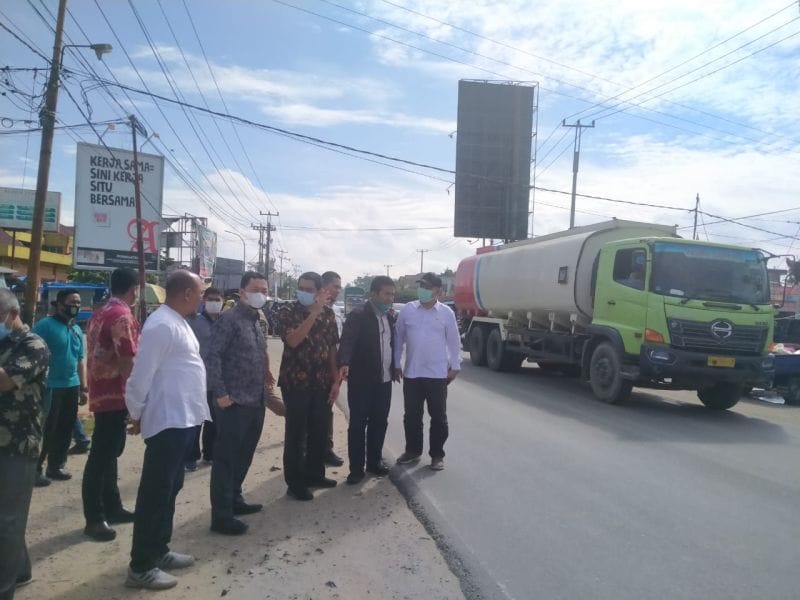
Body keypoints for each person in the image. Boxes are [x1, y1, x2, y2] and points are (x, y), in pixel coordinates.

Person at [124, 270, 209, 590]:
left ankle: (159, 549)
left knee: (170, 489)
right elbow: (140, 376)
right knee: (155, 493)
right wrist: (135, 413)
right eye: (200, 293)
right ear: (186, 293)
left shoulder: (177, 321)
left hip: (184, 419)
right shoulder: (161, 325)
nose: (202, 298)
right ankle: (140, 566)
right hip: (167, 420)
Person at [206, 272, 272, 536]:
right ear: (242, 292)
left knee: (244, 455)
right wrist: (221, 394)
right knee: (225, 459)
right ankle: (221, 516)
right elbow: (213, 357)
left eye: (264, 290)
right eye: (256, 289)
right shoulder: (229, 320)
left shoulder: (256, 321)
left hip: (255, 400)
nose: (261, 294)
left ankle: (235, 499)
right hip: (233, 402)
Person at [81, 268, 140, 542]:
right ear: (134, 289)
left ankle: (112, 507)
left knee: (109, 454)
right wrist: (138, 395)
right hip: (114, 394)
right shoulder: (121, 316)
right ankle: (94, 518)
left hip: (101, 392)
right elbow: (128, 360)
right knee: (101, 456)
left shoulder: (101, 312)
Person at [0, 289, 49, 600]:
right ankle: (20, 568)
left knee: (6, 522)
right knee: (8, 517)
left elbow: (3, 381)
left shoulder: (33, 345)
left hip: (18, 443)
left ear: (12, 315)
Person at [278, 271, 340, 501]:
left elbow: (332, 348)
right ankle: (295, 482)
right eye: (301, 288)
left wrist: (336, 381)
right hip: (295, 382)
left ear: (320, 291)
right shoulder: (287, 311)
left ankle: (315, 474)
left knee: (319, 432)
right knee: (296, 434)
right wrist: (313, 313)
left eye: (309, 289)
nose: (304, 293)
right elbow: (293, 340)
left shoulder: (329, 314)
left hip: (322, 381)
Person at [393, 273, 461, 471]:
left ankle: (437, 455)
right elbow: (399, 339)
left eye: (427, 287)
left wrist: (455, 367)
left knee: (438, 417)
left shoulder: (446, 313)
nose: (422, 289)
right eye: (421, 286)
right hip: (412, 373)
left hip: (437, 374)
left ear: (438, 291)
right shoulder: (408, 310)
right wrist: (396, 363)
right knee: (412, 416)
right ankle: (413, 451)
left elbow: (454, 342)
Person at [338, 276, 397, 484]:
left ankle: (374, 462)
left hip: (384, 380)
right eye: (386, 294)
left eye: (392, 294)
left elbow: (391, 345)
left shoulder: (389, 317)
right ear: (374, 294)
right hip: (362, 381)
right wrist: (344, 362)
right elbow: (347, 341)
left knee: (380, 422)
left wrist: (396, 367)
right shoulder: (359, 315)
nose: (390, 298)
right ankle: (356, 469)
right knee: (357, 425)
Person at [33, 288, 87, 485]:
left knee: (65, 428)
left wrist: (84, 387)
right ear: (60, 304)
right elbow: (32, 352)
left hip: (71, 385)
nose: (76, 306)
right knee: (47, 429)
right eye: (72, 302)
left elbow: (80, 360)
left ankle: (56, 466)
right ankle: (35, 469)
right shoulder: (45, 326)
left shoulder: (77, 329)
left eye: (78, 303)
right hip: (50, 386)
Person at [184, 287, 224, 471]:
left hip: (217, 381)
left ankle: (210, 453)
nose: (214, 302)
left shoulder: (225, 322)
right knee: (195, 421)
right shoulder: (193, 322)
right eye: (211, 299)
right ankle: (191, 457)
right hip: (196, 380)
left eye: (218, 299)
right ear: (204, 301)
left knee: (214, 421)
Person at [321, 271, 344, 467]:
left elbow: (338, 342)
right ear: (325, 286)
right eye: (335, 286)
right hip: (316, 370)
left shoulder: (336, 310)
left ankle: (326, 449)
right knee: (315, 412)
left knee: (328, 410)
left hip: (335, 368)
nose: (338, 290)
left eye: (339, 287)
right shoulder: (312, 308)